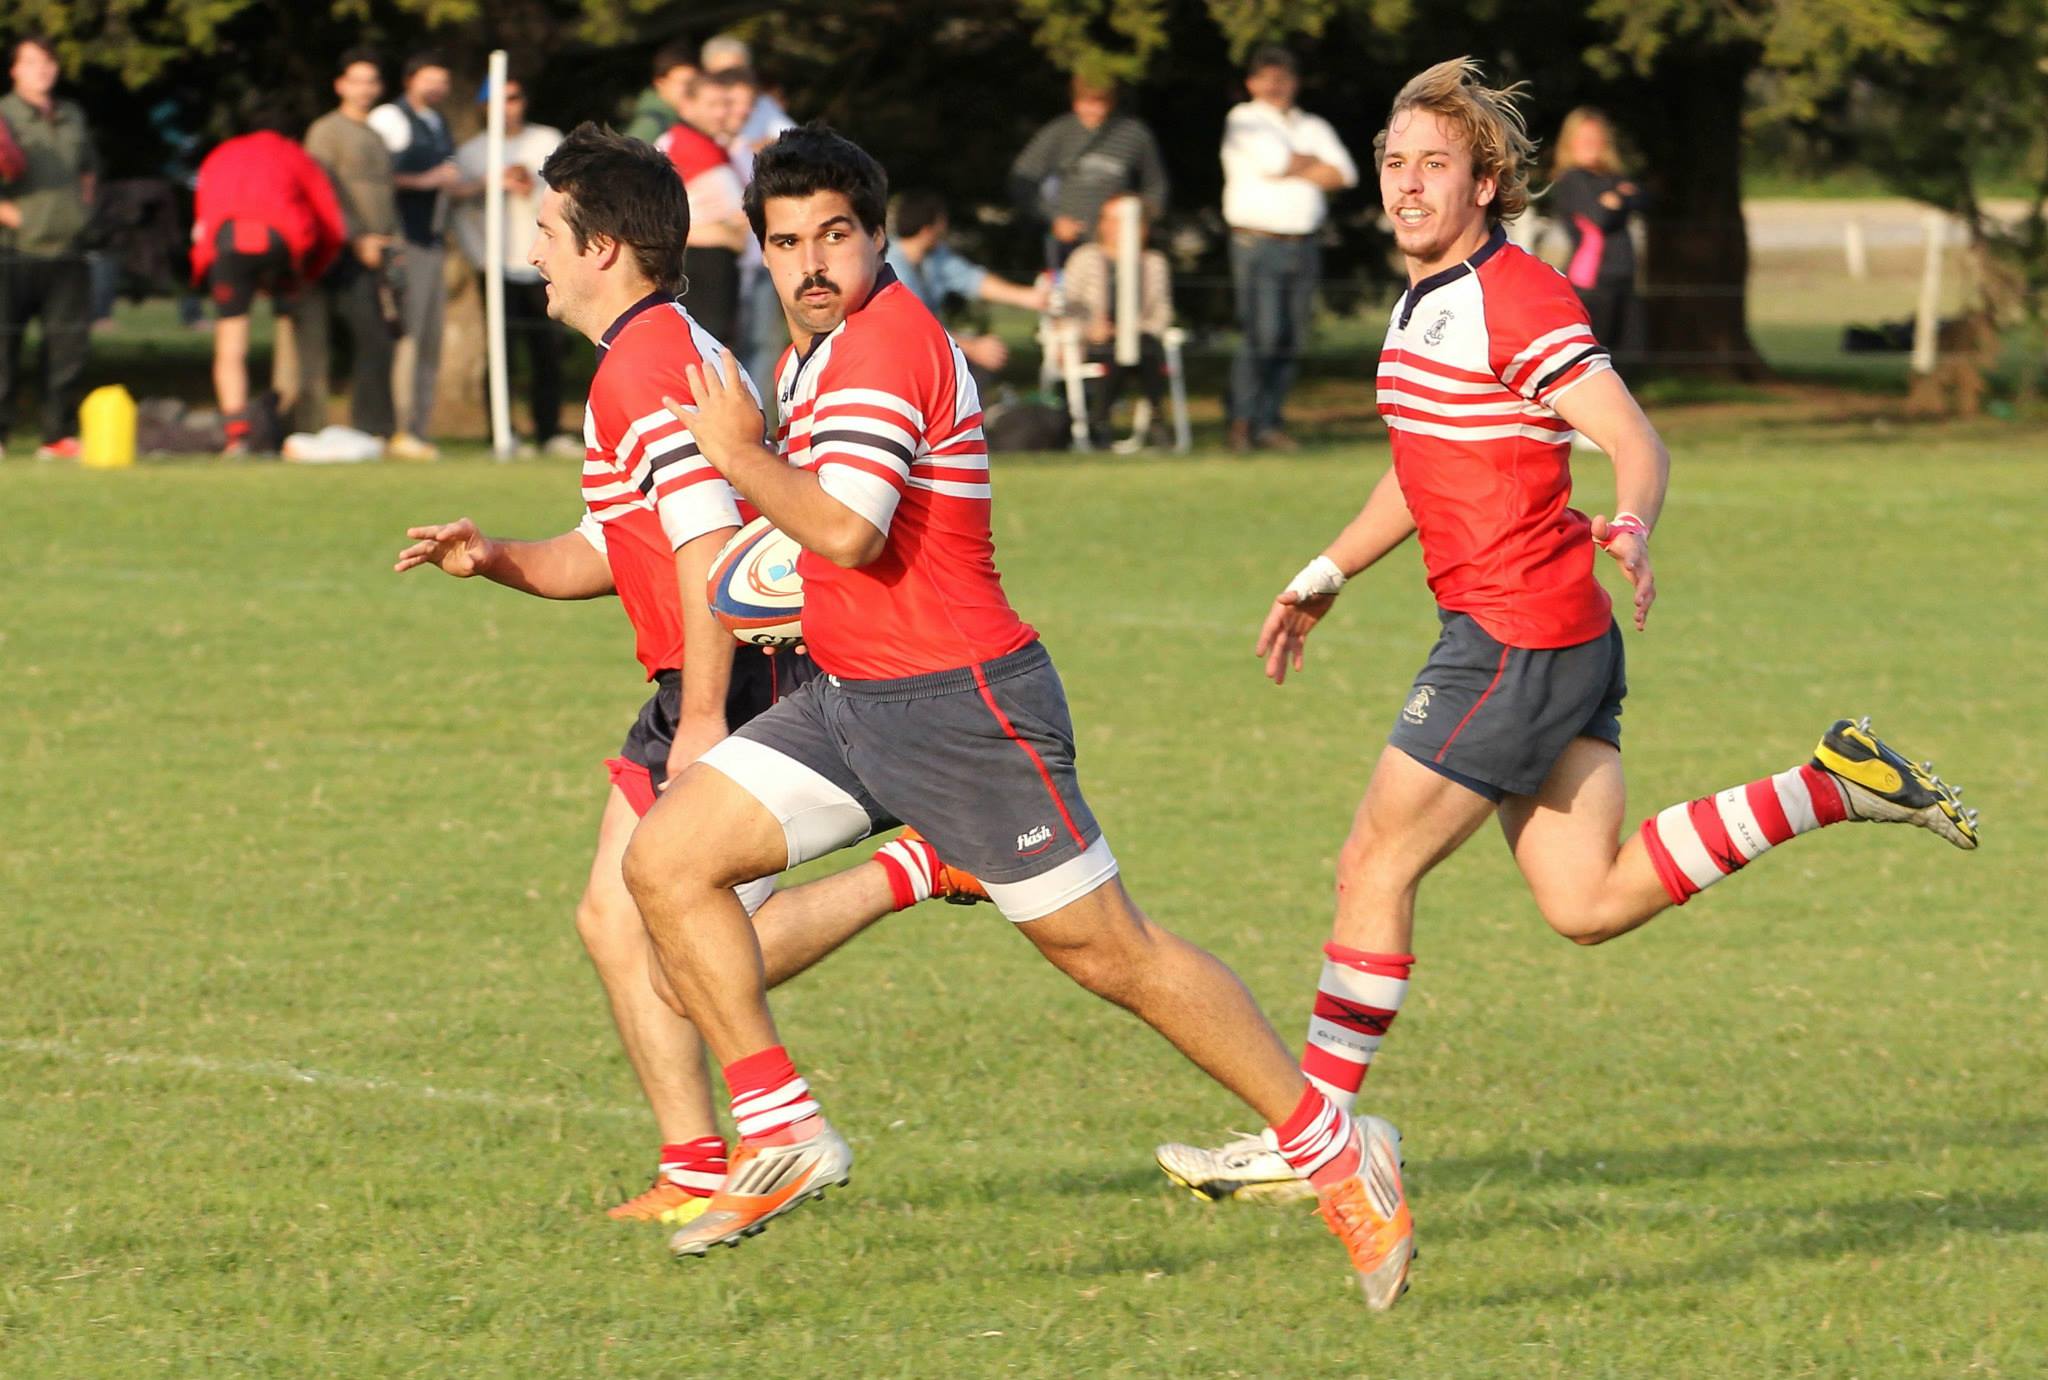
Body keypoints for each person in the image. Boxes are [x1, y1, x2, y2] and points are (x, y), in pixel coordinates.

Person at [1151, 58, 1979, 1307]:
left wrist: (1631, 520)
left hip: (1513, 637)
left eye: (1434, 164)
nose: (1406, 185)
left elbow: (1632, 435)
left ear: (1485, 183)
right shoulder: (1422, 300)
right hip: (1549, 636)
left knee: (1372, 864)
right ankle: (1828, 784)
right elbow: (1421, 460)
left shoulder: (1517, 299)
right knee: (1583, 900)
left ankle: (1316, 1136)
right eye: (1392, 162)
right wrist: (1326, 570)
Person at [618, 125, 1392, 1302]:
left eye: (834, 235)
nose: (810, 263)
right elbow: (826, 542)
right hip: (853, 700)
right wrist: (762, 565)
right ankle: (781, 1129)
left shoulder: (884, 347)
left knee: (1113, 955)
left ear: (880, 236)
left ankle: (1333, 1149)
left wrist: (737, 456)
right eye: (784, 243)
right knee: (667, 863)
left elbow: (848, 530)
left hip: (965, 708)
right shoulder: (812, 357)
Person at [394, 124, 983, 1228]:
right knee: (613, 921)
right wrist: (498, 559)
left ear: (603, 248)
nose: (533, 253)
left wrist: (706, 715)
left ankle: (916, 870)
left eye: (547, 231)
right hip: (694, 679)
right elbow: (613, 546)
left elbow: (709, 546)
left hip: (738, 677)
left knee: (686, 948)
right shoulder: (636, 357)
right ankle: (696, 1163)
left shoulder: (648, 366)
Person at [191, 96, 346, 454]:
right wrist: (311, 271)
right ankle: (300, 422)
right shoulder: (295, 155)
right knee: (298, 323)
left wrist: (205, 263)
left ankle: (237, 434)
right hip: (281, 247)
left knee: (231, 345)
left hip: (228, 246)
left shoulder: (222, 153)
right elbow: (331, 223)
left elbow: (205, 213)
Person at [1220, 45, 1355, 454]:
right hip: (1257, 241)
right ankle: (1242, 421)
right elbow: (1275, 162)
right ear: (1251, 83)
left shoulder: (1311, 125)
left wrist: (1299, 164)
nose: (1276, 86)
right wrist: (1312, 165)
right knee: (1262, 333)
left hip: (1303, 242)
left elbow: (1344, 173)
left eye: (1283, 78)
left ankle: (1269, 421)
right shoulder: (1244, 119)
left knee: (1291, 337)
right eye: (1267, 78)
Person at [451, 75, 574, 455]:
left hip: (543, 263)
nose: (508, 107)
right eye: (498, 99)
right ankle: (502, 433)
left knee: (547, 348)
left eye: (514, 98)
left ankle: (549, 431)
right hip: (495, 264)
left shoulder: (546, 140)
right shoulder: (472, 152)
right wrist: (492, 185)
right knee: (501, 351)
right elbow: (458, 204)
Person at [295, 47, 399, 442]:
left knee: (381, 339)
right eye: (356, 81)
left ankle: (377, 431)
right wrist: (356, 237)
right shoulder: (327, 131)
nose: (364, 89)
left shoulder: (374, 133)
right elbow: (321, 188)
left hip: (379, 250)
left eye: (371, 81)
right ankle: (364, 431)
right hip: (341, 251)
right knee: (365, 335)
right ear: (340, 85)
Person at [370, 50, 471, 461]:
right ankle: (399, 427)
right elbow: (378, 176)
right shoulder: (390, 119)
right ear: (410, 79)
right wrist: (425, 180)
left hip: (433, 241)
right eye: (430, 79)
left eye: (442, 81)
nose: (437, 88)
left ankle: (419, 428)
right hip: (405, 240)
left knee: (430, 340)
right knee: (409, 338)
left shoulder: (437, 123)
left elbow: (448, 183)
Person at [0, 36, 96, 460]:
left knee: (67, 349)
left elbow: (88, 168)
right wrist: (10, 214)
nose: (43, 69)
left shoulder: (72, 115)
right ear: (14, 70)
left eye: (49, 62)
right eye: (32, 62)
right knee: (3, 348)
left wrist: (84, 208)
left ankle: (56, 436)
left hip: (68, 249)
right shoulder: (3, 115)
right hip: (13, 250)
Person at [884, 188, 1048, 376]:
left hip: (925, 348)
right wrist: (972, 347)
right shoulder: (890, 266)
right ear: (928, 229)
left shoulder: (934, 257)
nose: (945, 227)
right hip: (898, 360)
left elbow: (973, 280)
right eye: (942, 221)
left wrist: (1028, 297)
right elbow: (915, 328)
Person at [1008, 76, 1168, 267]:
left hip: (1119, 245)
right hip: (1069, 243)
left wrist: (1140, 223)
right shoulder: (1059, 131)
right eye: (1086, 102)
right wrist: (1054, 219)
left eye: (1101, 103)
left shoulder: (1135, 134)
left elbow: (1156, 186)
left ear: (1112, 101)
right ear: (1075, 101)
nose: (1094, 110)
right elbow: (1023, 179)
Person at [1056, 198, 1172, 447]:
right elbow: (1067, 308)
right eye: (1108, 220)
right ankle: (1111, 419)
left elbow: (1162, 313)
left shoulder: (1154, 262)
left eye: (1120, 221)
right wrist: (1089, 330)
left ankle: (1107, 420)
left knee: (1140, 344)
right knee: (1120, 349)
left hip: (1141, 342)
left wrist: (1130, 331)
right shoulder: (1085, 257)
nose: (1112, 227)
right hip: (1094, 343)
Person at [1547, 107, 1648, 370]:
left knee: (1627, 354)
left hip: (1623, 275)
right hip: (1592, 281)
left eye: (1595, 138)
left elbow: (1642, 198)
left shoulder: (1612, 178)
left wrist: (1618, 199)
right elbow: (1600, 218)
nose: (1590, 145)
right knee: (1594, 358)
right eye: (1584, 139)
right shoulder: (1571, 179)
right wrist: (1621, 199)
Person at [655, 71, 747, 345]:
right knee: (701, 348)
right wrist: (711, 233)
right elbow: (655, 216)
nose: (721, 113)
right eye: (712, 105)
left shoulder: (714, 145)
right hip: (698, 267)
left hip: (720, 266)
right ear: (687, 106)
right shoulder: (675, 145)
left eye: (725, 104)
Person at [623, 42, 695, 145]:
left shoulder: (677, 117)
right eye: (683, 83)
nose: (690, 89)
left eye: (694, 83)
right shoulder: (651, 125)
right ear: (660, 83)